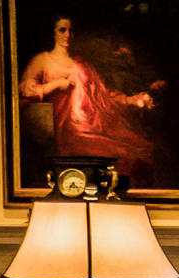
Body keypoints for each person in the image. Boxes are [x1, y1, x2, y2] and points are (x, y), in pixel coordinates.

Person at [18, 16, 160, 182]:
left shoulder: (82, 64)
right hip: (70, 128)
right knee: (114, 156)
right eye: (62, 30)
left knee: (135, 151)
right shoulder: (42, 60)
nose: (67, 34)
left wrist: (132, 100)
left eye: (71, 31)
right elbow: (25, 91)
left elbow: (103, 94)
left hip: (97, 123)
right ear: (53, 33)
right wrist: (55, 84)